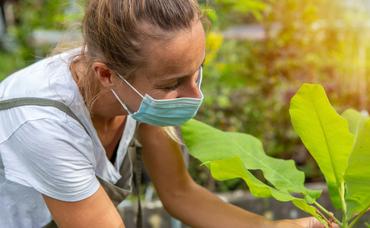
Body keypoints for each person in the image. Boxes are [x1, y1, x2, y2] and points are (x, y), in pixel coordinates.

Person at [0, 0, 328, 227]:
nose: (194, 94)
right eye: (173, 83)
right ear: (106, 75)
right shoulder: (41, 121)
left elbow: (179, 193)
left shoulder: (135, 86)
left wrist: (275, 227)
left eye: (197, 71)